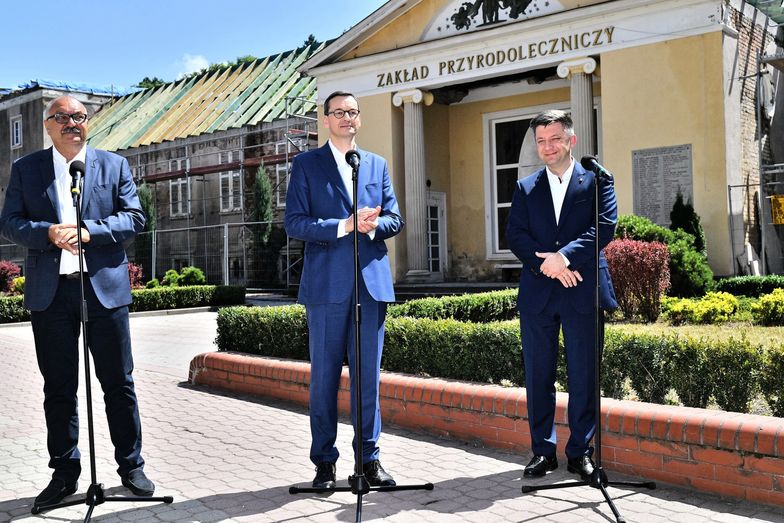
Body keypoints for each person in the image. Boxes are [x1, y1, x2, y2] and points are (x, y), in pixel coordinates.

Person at [0, 95, 154, 508]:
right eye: (63, 117)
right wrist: (48, 232)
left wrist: (89, 231)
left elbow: (134, 217)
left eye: (80, 117)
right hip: (51, 294)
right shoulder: (25, 169)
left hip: (103, 288)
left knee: (119, 382)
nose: (73, 123)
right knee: (59, 387)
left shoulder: (113, 165)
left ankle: (131, 466)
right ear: (47, 126)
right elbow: (10, 222)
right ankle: (65, 473)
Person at [284, 91, 404, 488]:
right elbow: (295, 223)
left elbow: (396, 219)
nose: (347, 118)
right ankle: (324, 463)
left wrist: (373, 225)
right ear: (326, 120)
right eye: (339, 113)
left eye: (352, 112)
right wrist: (343, 225)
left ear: (359, 119)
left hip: (370, 286)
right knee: (324, 379)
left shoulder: (376, 164)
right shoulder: (306, 165)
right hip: (325, 288)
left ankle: (369, 461)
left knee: (367, 379)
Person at [505, 110, 618, 481]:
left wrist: (564, 257)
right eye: (541, 141)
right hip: (539, 294)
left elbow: (605, 226)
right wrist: (547, 266)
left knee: (584, 374)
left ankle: (580, 452)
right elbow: (516, 236)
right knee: (539, 375)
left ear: (571, 140)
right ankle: (543, 452)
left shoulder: (597, 181)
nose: (548, 147)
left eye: (554, 139)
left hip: (582, 289)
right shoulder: (525, 187)